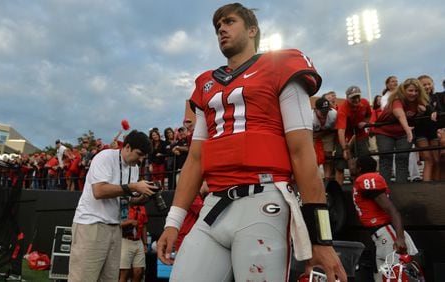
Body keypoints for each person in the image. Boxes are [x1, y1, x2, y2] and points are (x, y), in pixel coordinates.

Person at [156, 3, 346, 282]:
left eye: (229, 21)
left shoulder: (281, 65)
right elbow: (196, 158)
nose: (221, 28)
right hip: (214, 207)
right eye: (217, 25)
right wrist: (173, 222)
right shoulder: (205, 84)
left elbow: (302, 152)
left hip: (263, 200)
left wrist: (322, 239)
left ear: (253, 30)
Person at [68, 130, 157, 282]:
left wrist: (144, 196)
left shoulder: (134, 168)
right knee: (83, 278)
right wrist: (133, 187)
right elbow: (99, 191)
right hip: (92, 225)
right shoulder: (105, 157)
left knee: (109, 279)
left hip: (115, 227)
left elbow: (125, 199)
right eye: (139, 154)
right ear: (127, 147)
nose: (141, 159)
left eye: (144, 156)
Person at [352, 156, 418, 282]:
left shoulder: (366, 179)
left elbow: (392, 210)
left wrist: (399, 238)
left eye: (354, 164)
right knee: (381, 277)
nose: (351, 166)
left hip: (387, 234)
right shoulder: (361, 181)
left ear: (359, 168)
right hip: (381, 236)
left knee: (395, 277)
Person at [372, 78, 429, 183]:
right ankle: (384, 189)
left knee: (402, 158)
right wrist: (407, 128)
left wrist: (423, 111)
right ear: (404, 91)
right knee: (386, 158)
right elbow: (399, 113)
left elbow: (426, 109)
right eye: (410, 91)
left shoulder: (418, 100)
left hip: (403, 133)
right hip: (385, 132)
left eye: (416, 91)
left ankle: (401, 187)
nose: (413, 93)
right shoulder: (397, 99)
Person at [334, 86, 372, 185]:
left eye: (357, 96)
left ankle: (362, 187)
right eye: (353, 98)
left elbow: (369, 115)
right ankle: (338, 191)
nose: (356, 100)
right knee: (340, 165)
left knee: (363, 161)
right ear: (347, 98)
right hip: (346, 135)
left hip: (360, 134)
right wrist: (344, 149)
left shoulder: (365, 103)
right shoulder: (343, 109)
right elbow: (341, 131)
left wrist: (365, 122)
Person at [415, 75, 440, 181]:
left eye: (429, 84)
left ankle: (436, 184)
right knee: (428, 159)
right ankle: (426, 186)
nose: (427, 86)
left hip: (434, 131)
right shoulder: (416, 98)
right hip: (421, 131)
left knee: (436, 160)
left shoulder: (436, 97)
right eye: (424, 84)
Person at [119, 204, 149, 282]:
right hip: (125, 240)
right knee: (124, 272)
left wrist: (145, 244)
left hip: (138, 241)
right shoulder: (124, 207)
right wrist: (129, 222)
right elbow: (117, 224)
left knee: (139, 272)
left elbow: (144, 226)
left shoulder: (142, 208)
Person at [312, 97, 337, 180]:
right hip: (312, 135)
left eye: (326, 111)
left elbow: (336, 128)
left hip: (328, 133)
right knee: (313, 156)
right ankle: (315, 177)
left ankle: (327, 177)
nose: (325, 113)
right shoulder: (309, 117)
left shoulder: (334, 114)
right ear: (315, 110)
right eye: (322, 111)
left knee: (328, 155)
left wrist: (321, 133)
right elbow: (306, 133)